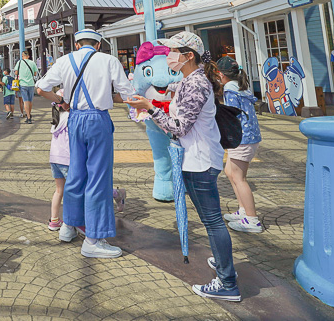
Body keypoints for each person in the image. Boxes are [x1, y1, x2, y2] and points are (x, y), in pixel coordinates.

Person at [126, 31, 241, 302]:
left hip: (200, 160)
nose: (168, 56)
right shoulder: (192, 80)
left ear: (188, 56)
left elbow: (178, 127)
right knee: (210, 220)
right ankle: (223, 264)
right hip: (197, 157)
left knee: (213, 221)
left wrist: (150, 108)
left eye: (172, 51)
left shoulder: (195, 83)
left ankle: (227, 282)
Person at [35, 28, 139, 259]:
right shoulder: (109, 60)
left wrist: (61, 101)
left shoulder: (64, 60)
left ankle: (68, 226)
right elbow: (128, 94)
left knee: (75, 174)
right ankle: (93, 239)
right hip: (97, 120)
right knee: (99, 178)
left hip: (74, 120)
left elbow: (40, 88)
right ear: (99, 45)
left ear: (77, 43)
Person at [215, 57, 263, 233]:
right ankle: (243, 210)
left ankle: (252, 219)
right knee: (230, 172)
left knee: (238, 178)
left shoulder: (229, 89)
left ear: (221, 74)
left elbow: (232, 115)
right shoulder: (240, 87)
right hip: (249, 137)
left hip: (242, 138)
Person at [48, 102, 69, 231]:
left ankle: (54, 221)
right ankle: (69, 222)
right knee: (71, 192)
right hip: (67, 159)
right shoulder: (70, 118)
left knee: (59, 190)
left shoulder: (57, 119)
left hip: (54, 159)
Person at [14, 51, 39, 124]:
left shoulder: (19, 62)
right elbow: (35, 73)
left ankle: (28, 117)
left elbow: (16, 72)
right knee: (30, 101)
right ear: (28, 56)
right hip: (31, 84)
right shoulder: (32, 63)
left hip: (23, 84)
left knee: (25, 101)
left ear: (22, 56)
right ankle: (29, 114)